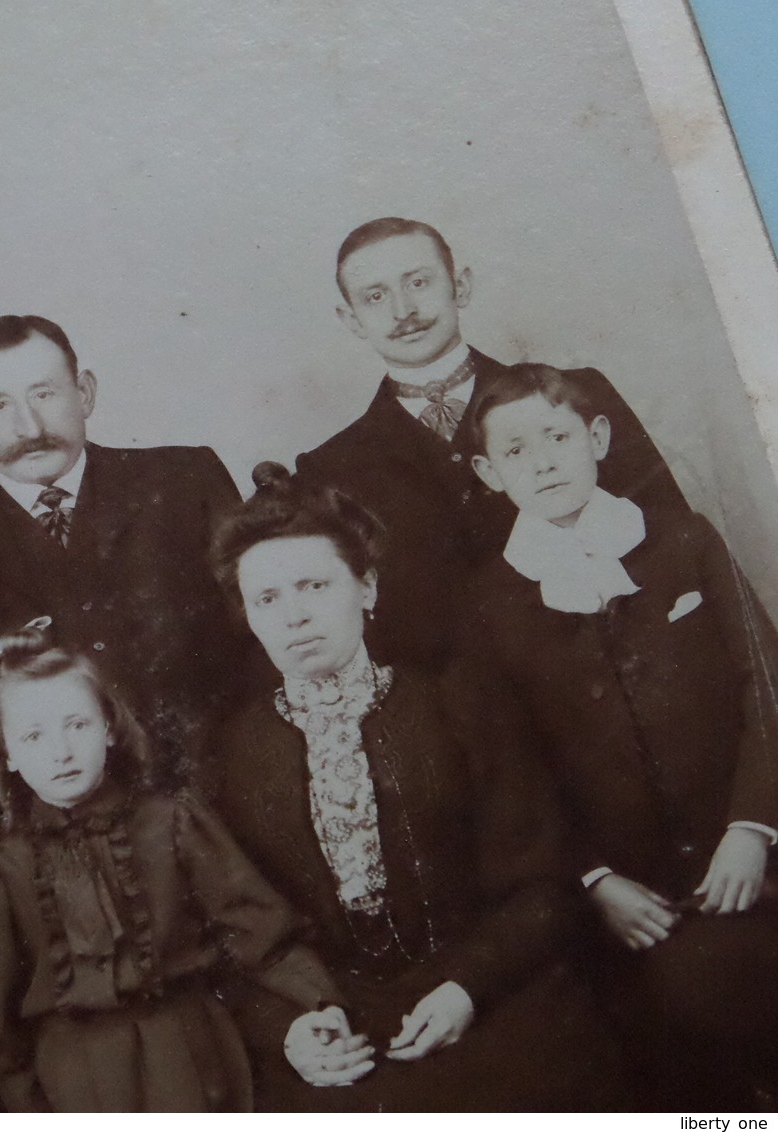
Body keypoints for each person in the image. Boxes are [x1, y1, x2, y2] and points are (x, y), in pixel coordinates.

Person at [206, 470, 626, 1111]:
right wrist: (289, 1031)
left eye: (314, 585)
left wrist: (467, 986)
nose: (293, 615)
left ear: (366, 587)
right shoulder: (230, 753)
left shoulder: (458, 703)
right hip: (342, 1034)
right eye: (265, 598)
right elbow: (231, 943)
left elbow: (542, 887)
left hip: (494, 998)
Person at [461, 362, 778, 1107]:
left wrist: (752, 824)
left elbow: (767, 689)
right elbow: (514, 774)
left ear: (597, 438)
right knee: (689, 1024)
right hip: (638, 901)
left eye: (558, 437)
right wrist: (595, 880)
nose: (542, 462)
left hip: (754, 847)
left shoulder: (683, 542)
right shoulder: (489, 606)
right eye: (515, 451)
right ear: (487, 471)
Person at [0, 628, 344, 1111]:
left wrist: (318, 1002)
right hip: (73, 1085)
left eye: (76, 724)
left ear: (109, 728)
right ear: (7, 754)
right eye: (33, 735)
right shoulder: (0, 870)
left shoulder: (173, 824)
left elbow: (260, 934)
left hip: (193, 1055)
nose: (60, 751)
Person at [292, 217, 686, 667]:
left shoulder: (577, 394)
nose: (403, 311)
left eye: (418, 282)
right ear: (351, 319)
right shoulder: (329, 470)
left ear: (460, 287)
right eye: (376, 296)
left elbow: (672, 535)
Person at [0, 314, 257, 780]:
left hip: (225, 784)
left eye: (44, 393)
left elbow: (261, 639)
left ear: (86, 393)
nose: (28, 426)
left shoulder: (186, 481)